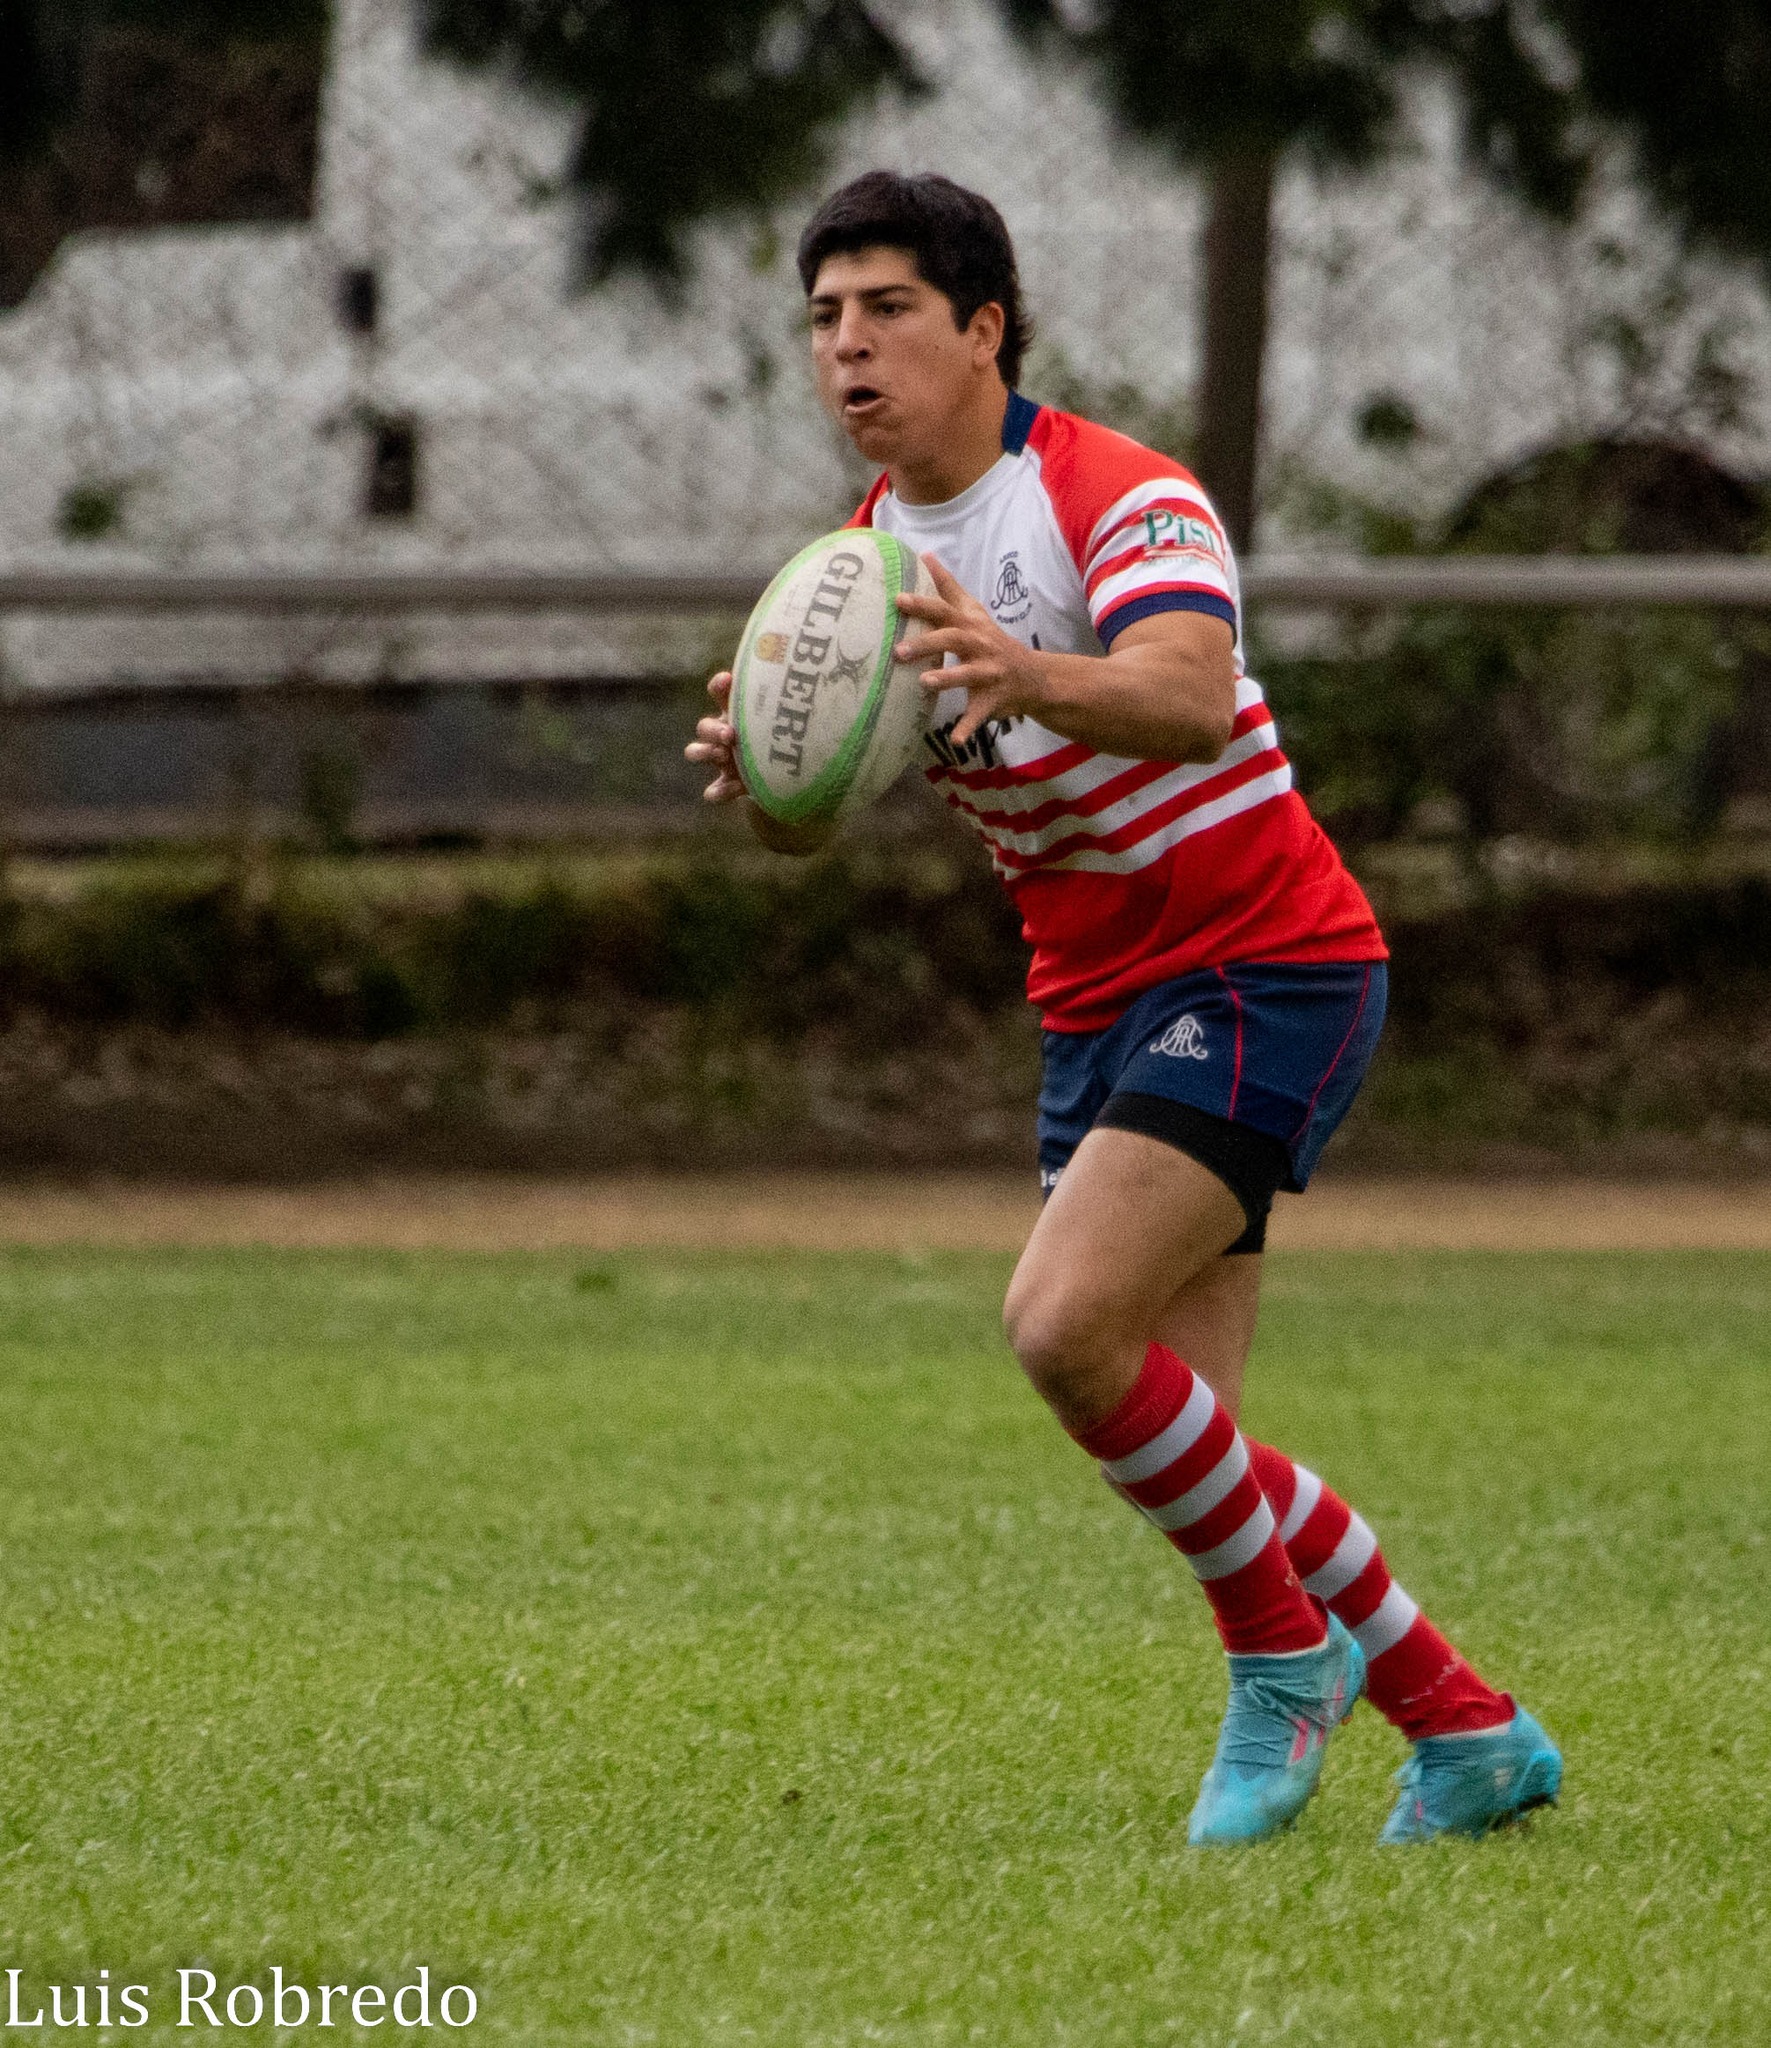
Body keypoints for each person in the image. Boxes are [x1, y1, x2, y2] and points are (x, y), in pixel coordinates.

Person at [687, 169, 1561, 1845]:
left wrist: (1025, 673)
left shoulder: (1119, 494)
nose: (847, 349)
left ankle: (1278, 1671)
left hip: (1264, 962)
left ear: (984, 329)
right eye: (822, 317)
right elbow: (821, 825)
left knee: (1059, 1325)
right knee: (1197, 1444)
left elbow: (1185, 698)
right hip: (1094, 1003)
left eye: (887, 311)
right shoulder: (861, 566)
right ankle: (1470, 1734)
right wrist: (774, 778)